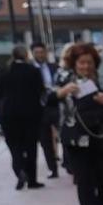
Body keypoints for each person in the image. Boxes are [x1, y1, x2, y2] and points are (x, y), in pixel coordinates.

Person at [55, 41, 103, 205]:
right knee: (85, 183)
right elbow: (48, 99)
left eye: (89, 62)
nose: (85, 67)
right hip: (77, 140)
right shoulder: (65, 79)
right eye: (81, 63)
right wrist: (63, 93)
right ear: (74, 63)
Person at [0, 46, 47, 190]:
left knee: (15, 146)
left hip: (9, 115)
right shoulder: (33, 71)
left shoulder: (5, 71)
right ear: (26, 55)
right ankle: (32, 180)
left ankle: (19, 170)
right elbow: (41, 90)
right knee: (31, 147)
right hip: (30, 114)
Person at [30, 42, 63, 180]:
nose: (40, 55)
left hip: (56, 104)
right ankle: (53, 169)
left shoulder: (54, 67)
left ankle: (69, 164)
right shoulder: (30, 70)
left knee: (64, 134)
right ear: (32, 53)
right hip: (40, 108)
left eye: (42, 52)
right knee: (45, 140)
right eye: (37, 52)